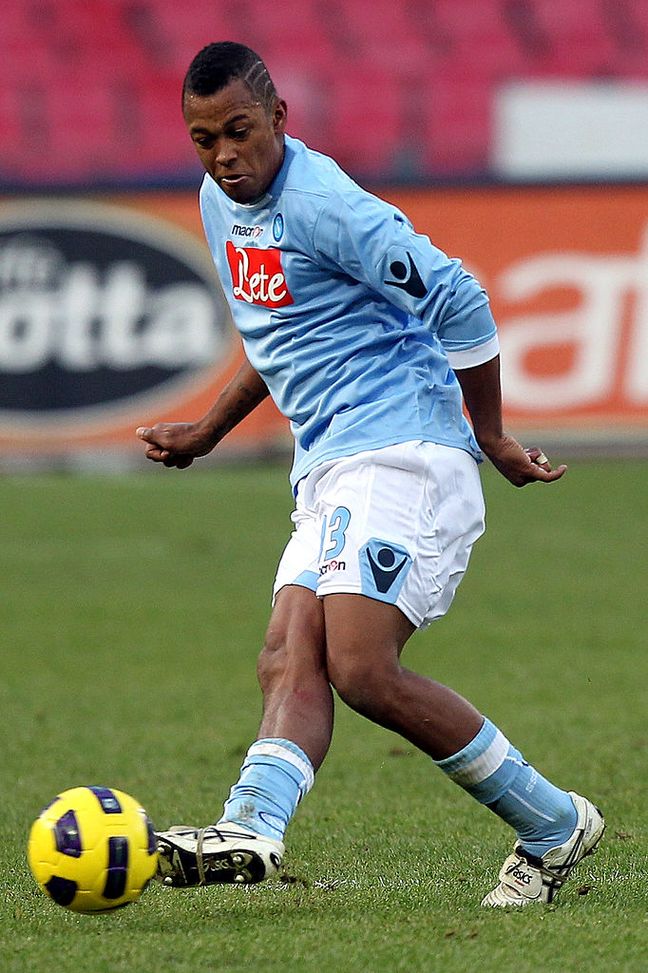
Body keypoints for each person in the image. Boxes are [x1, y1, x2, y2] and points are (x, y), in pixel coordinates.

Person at [136, 41, 604, 907]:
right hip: (329, 464)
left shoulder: (326, 206)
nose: (225, 155)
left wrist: (491, 435)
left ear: (279, 118)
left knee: (360, 667)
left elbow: (458, 295)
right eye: (205, 140)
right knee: (288, 655)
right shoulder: (218, 199)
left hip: (406, 451)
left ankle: (553, 824)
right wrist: (205, 430)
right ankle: (251, 826)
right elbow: (275, 332)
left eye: (240, 132)